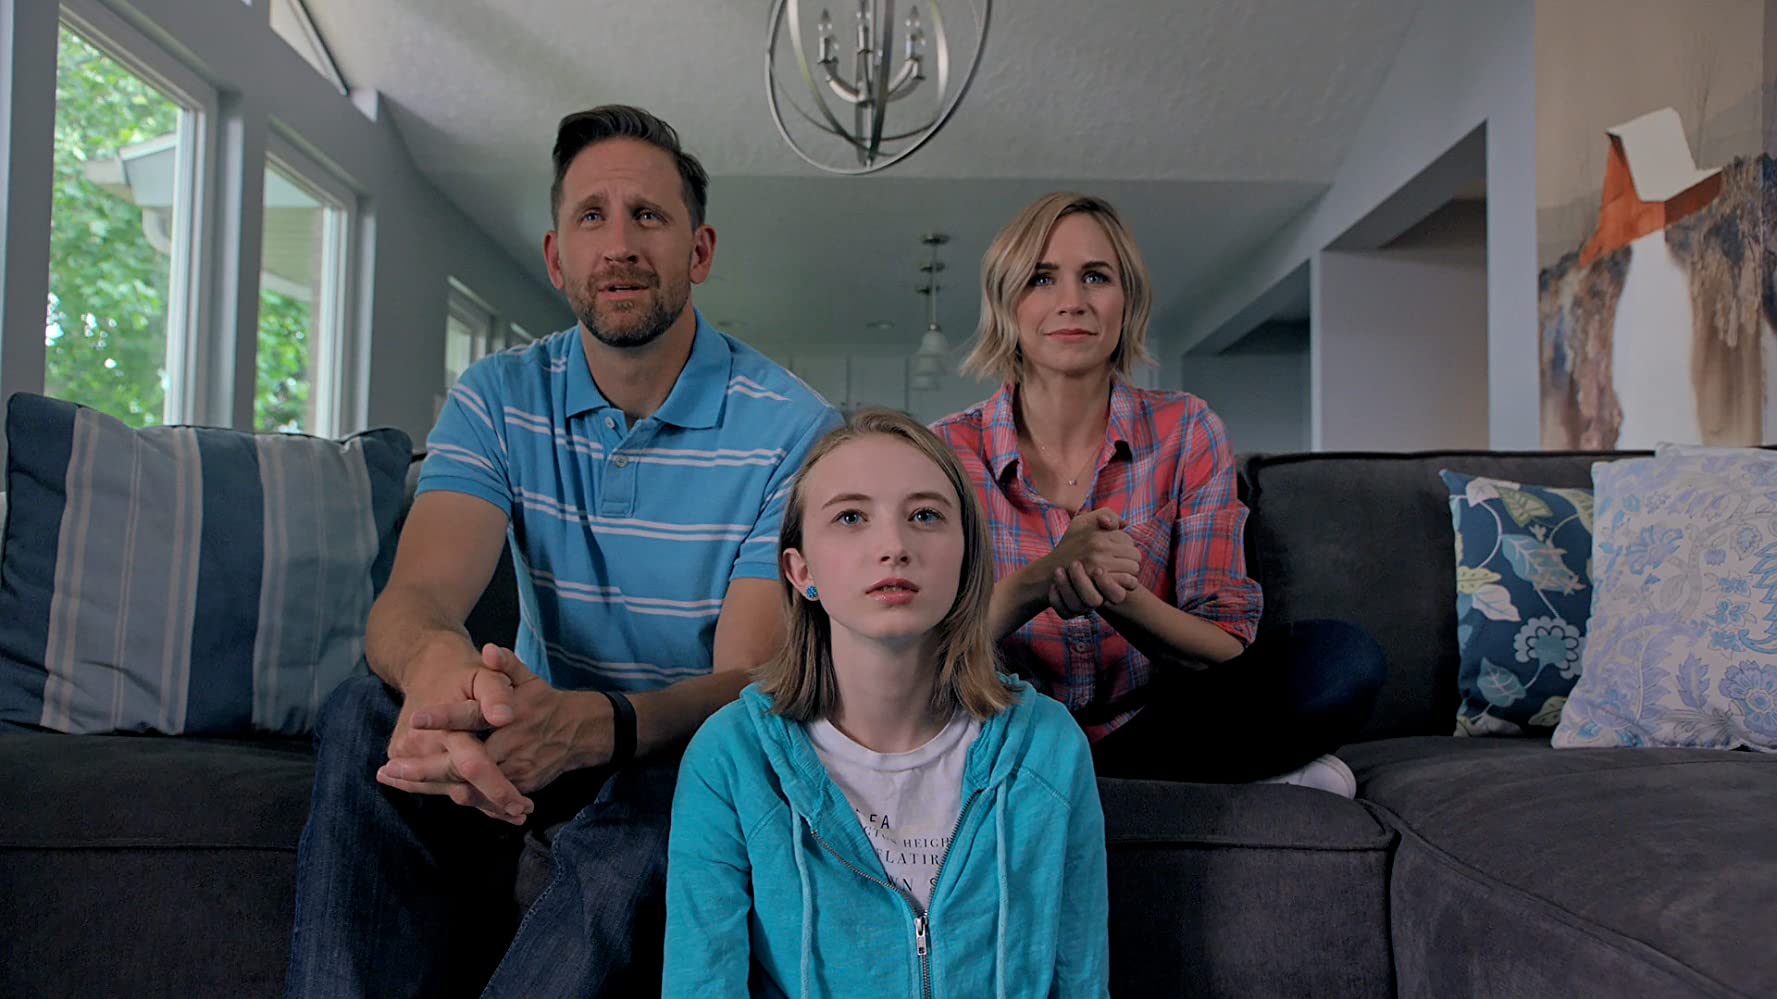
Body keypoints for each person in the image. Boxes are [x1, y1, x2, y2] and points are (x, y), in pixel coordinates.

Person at [284, 105, 841, 998]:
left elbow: (749, 683)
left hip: (668, 747)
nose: (618, 245)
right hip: (522, 731)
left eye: (647, 216)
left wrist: (604, 724)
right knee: (363, 709)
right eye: (591, 217)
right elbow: (414, 599)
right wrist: (447, 680)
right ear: (556, 257)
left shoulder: (794, 429)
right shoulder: (497, 396)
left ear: (699, 251)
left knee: (702, 768)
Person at [931, 192, 1385, 791]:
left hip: (1153, 725)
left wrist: (1116, 593)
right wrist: (1043, 580)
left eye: (1096, 276)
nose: (1072, 301)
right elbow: (924, 650)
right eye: (1042, 278)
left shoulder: (1188, 428)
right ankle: (1196, 782)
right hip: (1007, 731)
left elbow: (1223, 647)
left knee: (1341, 660)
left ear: (1128, 300)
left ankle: (1092, 788)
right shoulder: (945, 451)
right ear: (1006, 302)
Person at [663, 409, 1109, 998]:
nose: (894, 546)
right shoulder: (730, 758)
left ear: (966, 557)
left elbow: (1081, 982)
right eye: (850, 517)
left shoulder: (1049, 747)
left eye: (925, 515)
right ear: (800, 571)